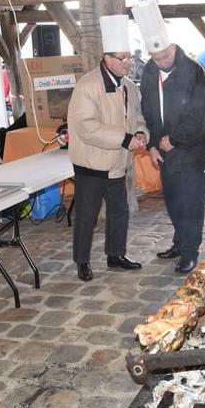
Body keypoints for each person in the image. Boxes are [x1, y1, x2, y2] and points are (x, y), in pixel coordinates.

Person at [133, 0, 205, 274]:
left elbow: (201, 116)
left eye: (164, 58)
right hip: (166, 151)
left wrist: (174, 139)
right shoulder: (149, 71)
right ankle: (179, 243)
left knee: (191, 203)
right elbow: (148, 110)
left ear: (173, 47)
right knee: (173, 201)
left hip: (190, 150)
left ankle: (190, 251)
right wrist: (155, 144)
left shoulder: (194, 71)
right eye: (156, 60)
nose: (161, 63)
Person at [66, 15, 149, 282]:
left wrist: (140, 133)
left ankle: (115, 255)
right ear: (107, 58)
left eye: (130, 58)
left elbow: (138, 118)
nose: (128, 63)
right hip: (91, 164)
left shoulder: (129, 87)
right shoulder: (88, 85)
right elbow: (86, 127)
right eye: (122, 58)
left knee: (119, 211)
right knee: (87, 216)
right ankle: (82, 260)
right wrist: (125, 139)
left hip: (117, 162)